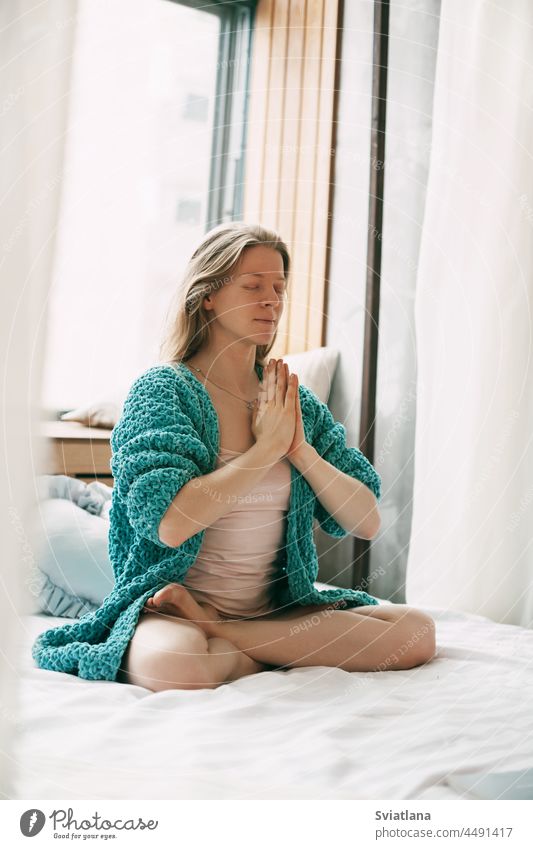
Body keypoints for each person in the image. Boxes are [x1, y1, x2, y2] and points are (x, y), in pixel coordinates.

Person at [117, 221, 436, 691]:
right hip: (172, 611)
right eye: (253, 286)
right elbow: (172, 522)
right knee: (178, 665)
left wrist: (297, 448)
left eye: (279, 288)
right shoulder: (164, 391)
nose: (272, 300)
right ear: (207, 295)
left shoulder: (291, 399)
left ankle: (222, 634)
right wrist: (265, 450)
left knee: (417, 634)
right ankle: (260, 646)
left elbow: (365, 520)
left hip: (277, 610)